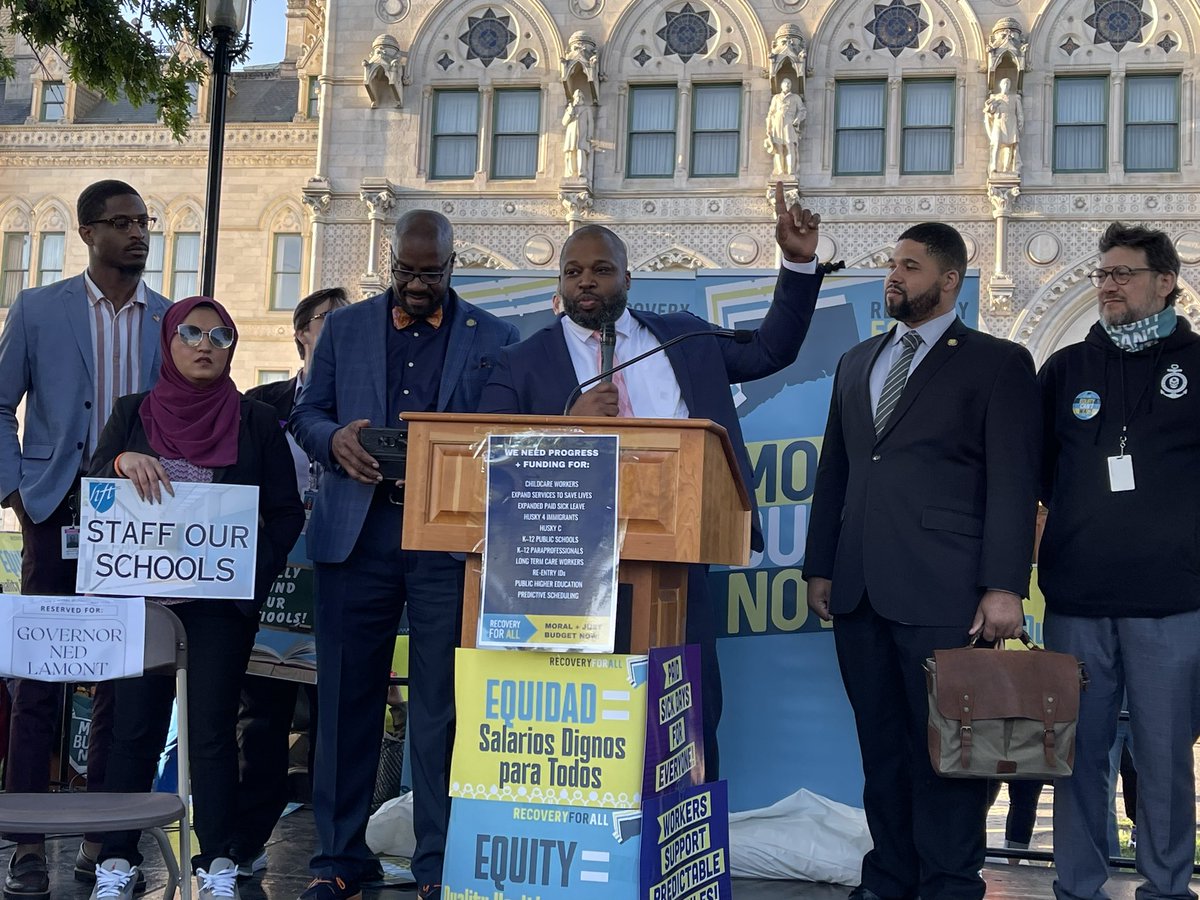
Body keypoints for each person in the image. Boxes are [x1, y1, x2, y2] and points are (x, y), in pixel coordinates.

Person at [478, 182, 825, 781]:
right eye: (573, 271)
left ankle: (681, 840)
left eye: (602, 269)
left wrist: (797, 264)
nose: (586, 281)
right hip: (566, 564)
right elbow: (483, 455)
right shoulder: (522, 361)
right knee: (586, 716)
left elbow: (772, 350)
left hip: (677, 554)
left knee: (686, 702)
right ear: (559, 284)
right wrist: (562, 424)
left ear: (628, 280)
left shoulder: (683, 339)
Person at [804, 222, 1041, 900]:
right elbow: (837, 473)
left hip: (948, 595)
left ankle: (947, 883)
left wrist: (1003, 585)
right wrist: (821, 566)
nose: (894, 276)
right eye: (891, 264)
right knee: (882, 751)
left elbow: (1013, 482)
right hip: (858, 593)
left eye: (910, 266)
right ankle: (889, 878)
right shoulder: (858, 361)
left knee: (948, 756)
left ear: (949, 280)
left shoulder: (997, 362)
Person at [289, 210, 519, 900]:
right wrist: (334, 440)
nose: (418, 285)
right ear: (390, 262)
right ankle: (338, 861)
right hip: (356, 539)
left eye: (432, 272)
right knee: (345, 702)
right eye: (407, 272)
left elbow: (504, 435)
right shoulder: (346, 329)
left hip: (447, 544)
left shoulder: (494, 337)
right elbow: (306, 413)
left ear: (454, 264)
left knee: (442, 708)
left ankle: (438, 867)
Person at [83, 296, 303, 900]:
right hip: (141, 604)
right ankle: (118, 859)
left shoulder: (255, 420)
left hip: (217, 611)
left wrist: (246, 577)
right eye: (191, 332)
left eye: (220, 335)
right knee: (132, 729)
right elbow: (94, 498)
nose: (205, 344)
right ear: (168, 343)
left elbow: (284, 513)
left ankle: (216, 860)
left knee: (209, 731)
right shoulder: (132, 413)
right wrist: (123, 459)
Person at [0, 179, 171, 900]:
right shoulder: (40, 309)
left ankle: (103, 842)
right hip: (52, 507)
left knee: (119, 680)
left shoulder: (169, 319)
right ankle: (26, 845)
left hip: (133, 517)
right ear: (88, 231)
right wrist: (16, 489)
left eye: (145, 222)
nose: (138, 233)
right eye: (123, 222)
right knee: (40, 676)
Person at [1038, 222, 1198, 900]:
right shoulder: (1067, 369)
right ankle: (1078, 885)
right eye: (1103, 273)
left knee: (1164, 759)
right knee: (1076, 758)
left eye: (1123, 273)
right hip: (1078, 601)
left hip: (1172, 602)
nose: (1107, 284)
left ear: (1164, 282)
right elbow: (1033, 478)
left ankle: (1167, 887)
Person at [231, 287, 351, 877]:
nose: (340, 329)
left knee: (337, 710)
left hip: (342, 572)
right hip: (274, 575)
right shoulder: (260, 404)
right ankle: (248, 839)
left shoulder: (364, 403)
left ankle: (335, 849)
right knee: (263, 713)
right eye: (329, 320)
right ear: (301, 333)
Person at [765, 78, 806, 177]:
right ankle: (780, 171)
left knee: (790, 145)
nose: (787, 84)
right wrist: (768, 127)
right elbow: (770, 113)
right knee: (778, 148)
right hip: (777, 122)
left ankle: (791, 171)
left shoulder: (795, 97)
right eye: (785, 83)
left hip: (789, 122)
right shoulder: (776, 97)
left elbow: (802, 110)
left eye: (789, 83)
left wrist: (797, 119)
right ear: (781, 85)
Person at [984, 78, 1023, 174]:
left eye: (1008, 84)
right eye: (1004, 84)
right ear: (1001, 85)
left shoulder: (1015, 98)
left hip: (1011, 124)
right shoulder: (995, 97)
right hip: (998, 122)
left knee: (1009, 146)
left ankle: (1006, 169)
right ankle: (994, 166)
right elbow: (990, 112)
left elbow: (1020, 114)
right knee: (996, 143)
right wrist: (993, 107)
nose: (1006, 86)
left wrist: (1019, 127)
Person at [562, 88, 593, 179]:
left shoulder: (587, 109)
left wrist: (589, 135)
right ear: (574, 98)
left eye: (580, 97)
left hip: (582, 134)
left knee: (581, 151)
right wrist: (570, 113)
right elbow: (564, 122)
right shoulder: (570, 108)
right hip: (571, 134)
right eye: (576, 97)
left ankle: (581, 172)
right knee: (571, 151)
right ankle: (571, 173)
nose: (578, 99)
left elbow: (590, 122)